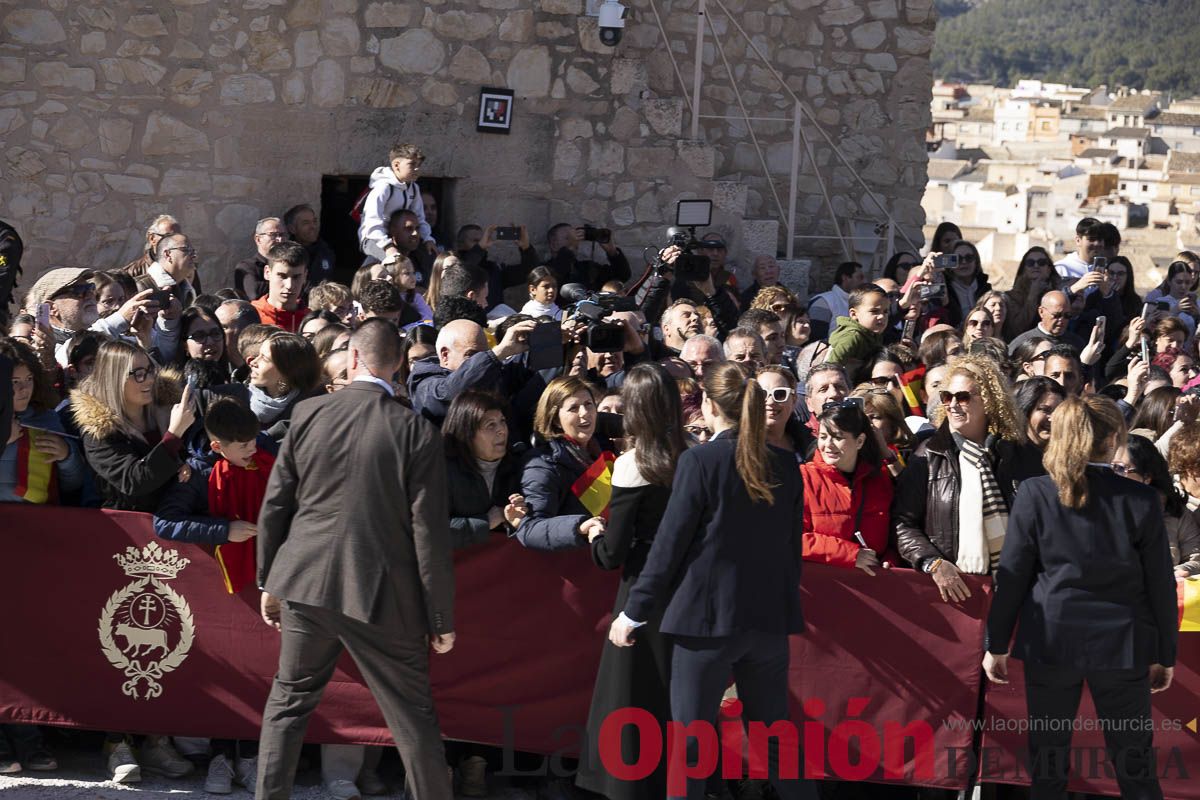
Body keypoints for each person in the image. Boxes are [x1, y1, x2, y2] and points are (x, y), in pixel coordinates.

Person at [256, 318, 455, 800]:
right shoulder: (414, 430)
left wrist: (268, 579)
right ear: (400, 366)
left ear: (351, 360)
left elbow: (277, 503)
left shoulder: (309, 415)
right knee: (412, 716)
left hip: (305, 581)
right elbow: (428, 532)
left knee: (289, 702)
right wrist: (440, 616)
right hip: (380, 593)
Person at [609, 361, 815, 800]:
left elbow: (669, 545)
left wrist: (633, 611)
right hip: (767, 622)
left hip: (705, 627)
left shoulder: (700, 461)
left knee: (691, 745)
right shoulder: (784, 463)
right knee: (775, 737)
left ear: (708, 405)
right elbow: (790, 552)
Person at [984, 396, 1177, 800]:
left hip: (1053, 642)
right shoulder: (1139, 499)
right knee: (1135, 766)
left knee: (1048, 765)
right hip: (1121, 646)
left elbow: (1014, 574)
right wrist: (1166, 653)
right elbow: (1159, 582)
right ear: (1111, 440)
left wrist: (996, 644)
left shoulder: (1036, 493)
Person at [577, 363, 687, 800]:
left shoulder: (630, 465)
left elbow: (610, 556)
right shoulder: (693, 454)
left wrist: (594, 532)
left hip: (642, 592)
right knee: (678, 699)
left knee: (630, 700)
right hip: (687, 590)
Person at [893, 356, 1039, 597]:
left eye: (962, 397)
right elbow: (902, 522)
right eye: (946, 397)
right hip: (956, 592)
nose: (952, 405)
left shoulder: (1021, 455)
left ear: (990, 402)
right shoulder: (928, 456)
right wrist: (933, 563)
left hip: (1020, 589)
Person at [72, 339, 195, 512]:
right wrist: (174, 435)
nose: (150, 379)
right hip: (132, 527)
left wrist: (186, 463)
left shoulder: (168, 407)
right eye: (139, 374)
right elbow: (134, 481)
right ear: (115, 379)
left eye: (150, 371)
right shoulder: (98, 431)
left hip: (179, 511)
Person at [515, 376, 611, 550]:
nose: (585, 413)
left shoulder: (603, 450)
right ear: (556, 420)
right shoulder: (542, 465)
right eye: (573, 408)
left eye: (589, 404)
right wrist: (579, 527)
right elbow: (530, 529)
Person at [801, 401, 896, 573]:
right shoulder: (803, 478)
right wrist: (849, 554)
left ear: (859, 441)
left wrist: (890, 560)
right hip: (823, 586)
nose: (828, 445)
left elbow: (894, 536)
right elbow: (790, 536)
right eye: (823, 437)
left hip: (874, 585)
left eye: (838, 437)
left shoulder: (880, 480)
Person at [0, 337, 84, 504]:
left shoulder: (46, 419)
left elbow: (73, 486)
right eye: (14, 382)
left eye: (29, 379)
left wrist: (66, 455)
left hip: (36, 522)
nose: (24, 389)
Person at [441, 390, 527, 550]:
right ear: (467, 433)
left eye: (502, 421)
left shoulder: (519, 463)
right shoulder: (441, 471)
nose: (502, 430)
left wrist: (517, 517)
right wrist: (486, 521)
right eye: (491, 425)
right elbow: (431, 531)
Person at [1116, 434, 1200, 577]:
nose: (1112, 474)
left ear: (1146, 477)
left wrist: (1177, 572)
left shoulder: (1174, 512)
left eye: (1120, 468)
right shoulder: (1100, 510)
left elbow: (1195, 558)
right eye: (1110, 466)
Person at [358, 142, 436, 265]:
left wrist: (427, 238)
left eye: (419, 165)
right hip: (373, 239)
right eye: (412, 164)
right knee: (390, 265)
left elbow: (419, 218)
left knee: (427, 258)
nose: (417, 169)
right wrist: (387, 246)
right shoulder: (383, 188)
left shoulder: (414, 188)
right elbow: (372, 222)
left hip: (399, 238)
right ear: (396, 165)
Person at [826, 284, 889, 384]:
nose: (882, 316)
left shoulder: (874, 335)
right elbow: (831, 367)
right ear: (854, 314)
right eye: (874, 311)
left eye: (885, 312)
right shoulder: (852, 337)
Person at [542, 222, 631, 292]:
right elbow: (561, 270)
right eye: (567, 238)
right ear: (553, 244)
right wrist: (570, 248)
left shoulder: (586, 268)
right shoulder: (546, 270)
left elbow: (622, 276)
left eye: (575, 238)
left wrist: (612, 251)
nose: (575, 241)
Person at [757, 365, 815, 461]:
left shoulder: (809, 442)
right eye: (762, 394)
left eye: (780, 394)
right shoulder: (737, 445)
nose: (770, 402)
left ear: (794, 400)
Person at [251, 241, 309, 333]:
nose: (289, 285)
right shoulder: (251, 315)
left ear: (305, 276)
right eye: (282, 276)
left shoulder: (311, 321)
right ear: (267, 273)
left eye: (296, 277)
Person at [234, 217, 288, 301]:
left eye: (282, 235)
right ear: (258, 239)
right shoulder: (247, 266)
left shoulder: (290, 264)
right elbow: (254, 294)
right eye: (273, 235)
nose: (279, 240)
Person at [807, 261, 864, 340]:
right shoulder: (823, 302)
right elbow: (816, 338)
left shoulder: (862, 303)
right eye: (860, 277)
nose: (863, 281)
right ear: (845, 278)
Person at [283, 203, 336, 286]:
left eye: (314, 221)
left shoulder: (326, 252)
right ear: (292, 229)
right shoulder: (284, 255)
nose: (313, 226)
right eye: (306, 223)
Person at [943, 240, 992, 327]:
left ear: (976, 262)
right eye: (958, 259)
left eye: (969, 258)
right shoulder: (944, 290)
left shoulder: (986, 289)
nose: (964, 262)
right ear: (949, 264)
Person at [1013, 376, 1066, 451]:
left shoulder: (1068, 458)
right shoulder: (1005, 454)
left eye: (1059, 412)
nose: (1053, 419)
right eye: (1045, 410)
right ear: (1027, 410)